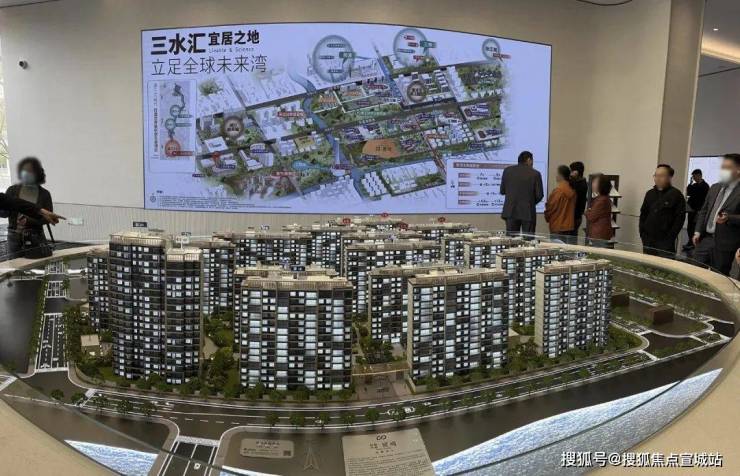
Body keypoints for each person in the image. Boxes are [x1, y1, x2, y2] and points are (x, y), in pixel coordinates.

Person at [692, 154, 740, 275]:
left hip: (725, 243)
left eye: (727, 167)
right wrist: (697, 231)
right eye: (722, 167)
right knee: (695, 272)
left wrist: (729, 218)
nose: (723, 171)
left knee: (718, 275)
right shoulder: (715, 187)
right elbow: (704, 210)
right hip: (706, 239)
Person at [4, 157, 61, 258]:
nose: (26, 173)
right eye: (24, 170)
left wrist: (28, 220)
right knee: (14, 264)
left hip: (35, 236)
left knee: (36, 263)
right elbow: (4, 213)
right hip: (14, 237)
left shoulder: (44, 194)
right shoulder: (12, 190)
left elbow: (47, 217)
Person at [639, 164, 685, 257]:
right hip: (648, 241)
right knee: (647, 264)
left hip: (665, 243)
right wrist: (642, 233)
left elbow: (679, 219)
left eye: (661, 176)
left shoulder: (676, 195)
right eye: (656, 175)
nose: (658, 178)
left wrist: (670, 239)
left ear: (669, 177)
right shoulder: (650, 194)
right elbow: (643, 214)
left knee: (664, 265)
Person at [500, 150, 544, 236]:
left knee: (511, 240)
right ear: (529, 160)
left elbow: (502, 191)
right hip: (528, 212)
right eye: (532, 161)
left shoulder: (507, 171)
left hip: (510, 211)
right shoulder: (535, 174)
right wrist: (530, 202)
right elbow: (539, 195)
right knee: (528, 241)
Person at [544, 165, 576, 241]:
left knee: (556, 247)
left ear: (561, 176)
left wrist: (547, 216)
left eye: (557, 174)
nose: (556, 176)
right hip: (568, 226)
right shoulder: (573, 191)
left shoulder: (558, 191)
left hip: (557, 225)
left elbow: (550, 208)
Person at [683, 168, 709, 252]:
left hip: (699, 210)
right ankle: (690, 242)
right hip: (691, 209)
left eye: (694, 176)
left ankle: (695, 244)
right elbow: (689, 192)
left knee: (695, 227)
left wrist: (701, 210)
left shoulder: (705, 186)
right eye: (693, 177)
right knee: (690, 226)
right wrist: (690, 183)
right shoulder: (694, 185)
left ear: (699, 175)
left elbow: (705, 200)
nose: (694, 178)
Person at [585, 174, 614, 246]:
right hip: (600, 233)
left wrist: (587, 211)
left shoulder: (601, 200)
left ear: (601, 185)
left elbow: (591, 216)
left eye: (595, 182)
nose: (592, 184)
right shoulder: (602, 198)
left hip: (599, 234)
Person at [569, 161, 588, 238]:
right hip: (576, 216)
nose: (570, 173)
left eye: (571, 171)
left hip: (575, 216)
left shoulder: (580, 184)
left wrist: (571, 178)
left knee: (571, 239)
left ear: (576, 172)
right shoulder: (580, 182)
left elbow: (572, 194)